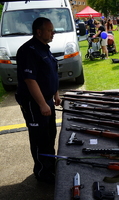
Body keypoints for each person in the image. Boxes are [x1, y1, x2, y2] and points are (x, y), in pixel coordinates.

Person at [15, 17, 61, 184]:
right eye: (50, 30)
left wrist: (56, 94)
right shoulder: (28, 50)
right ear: (39, 32)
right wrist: (42, 103)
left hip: (47, 100)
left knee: (50, 135)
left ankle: (50, 165)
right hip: (34, 103)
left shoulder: (44, 48)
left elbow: (51, 73)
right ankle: (43, 173)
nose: (53, 32)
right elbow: (30, 80)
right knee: (39, 138)